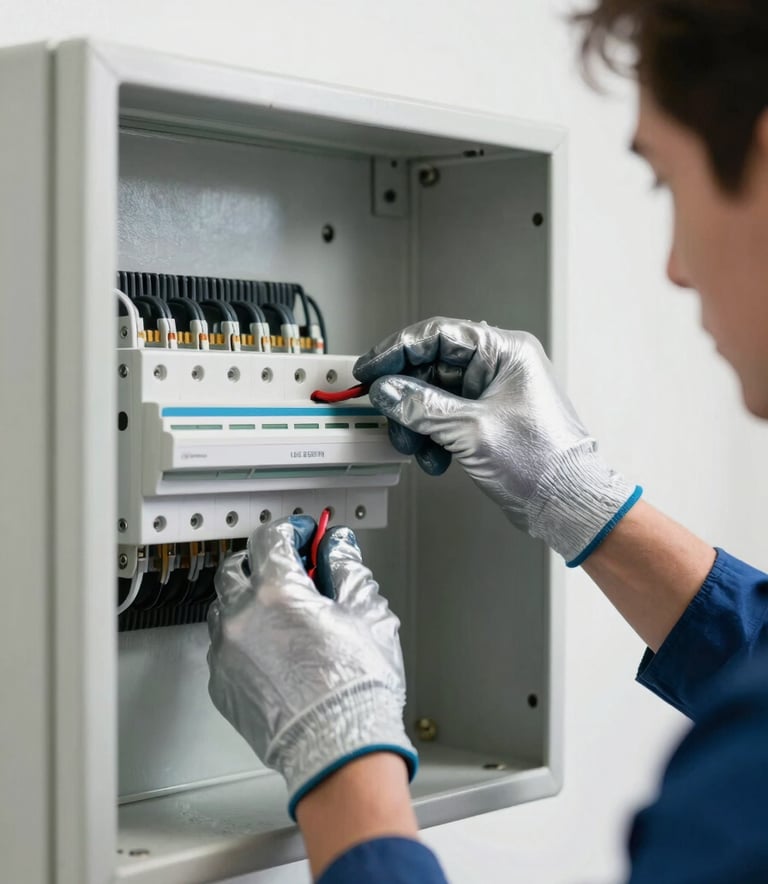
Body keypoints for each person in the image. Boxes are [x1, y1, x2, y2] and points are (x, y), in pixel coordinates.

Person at [206, 2, 768, 881]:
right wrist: (579, 497)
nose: (675, 267)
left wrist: (343, 754)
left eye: (665, 181)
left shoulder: (738, 805)